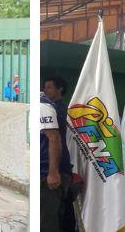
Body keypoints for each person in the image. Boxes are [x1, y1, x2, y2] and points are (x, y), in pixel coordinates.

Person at [40, 74, 77, 232]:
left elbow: (54, 138)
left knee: (48, 220)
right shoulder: (53, 107)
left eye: (49, 87)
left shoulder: (54, 108)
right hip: (59, 169)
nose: (45, 90)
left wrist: (53, 172)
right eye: (44, 87)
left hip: (53, 170)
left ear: (60, 89)